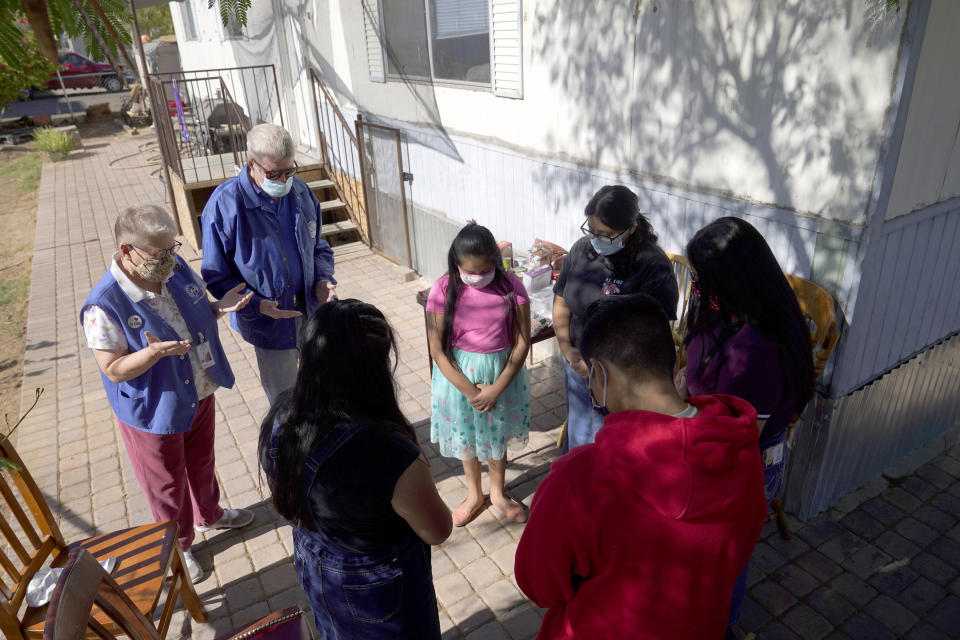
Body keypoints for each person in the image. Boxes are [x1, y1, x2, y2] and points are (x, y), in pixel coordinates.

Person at [515, 294, 766, 640]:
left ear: (599, 374)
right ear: (675, 363)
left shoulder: (582, 478)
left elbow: (539, 583)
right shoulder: (742, 448)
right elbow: (738, 553)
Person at [80, 205, 255, 583]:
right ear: (128, 251)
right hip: (154, 410)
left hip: (197, 389)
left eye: (172, 248)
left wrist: (218, 308)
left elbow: (196, 310)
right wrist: (151, 354)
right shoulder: (103, 304)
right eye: (160, 253)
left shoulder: (173, 270)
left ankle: (210, 514)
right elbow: (111, 368)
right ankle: (179, 545)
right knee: (167, 485)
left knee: (202, 460)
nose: (170, 259)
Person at [259, 300, 452, 638]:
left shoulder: (280, 416)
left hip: (316, 565)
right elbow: (437, 530)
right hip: (375, 591)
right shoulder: (387, 450)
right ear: (374, 369)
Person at [678, 216, 815, 634]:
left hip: (739, 467)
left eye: (702, 278)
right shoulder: (725, 312)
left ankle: (720, 626)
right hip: (708, 448)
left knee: (725, 563)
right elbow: (691, 368)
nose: (696, 287)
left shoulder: (755, 350)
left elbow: (735, 442)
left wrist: (672, 426)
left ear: (732, 279)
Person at [201, 123, 336, 405]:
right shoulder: (225, 206)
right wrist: (256, 304)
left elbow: (319, 246)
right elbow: (216, 276)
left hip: (311, 312)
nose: (284, 179)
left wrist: (323, 279)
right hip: (269, 324)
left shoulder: (301, 193)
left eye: (290, 170)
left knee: (324, 390)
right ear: (252, 164)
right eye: (274, 174)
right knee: (285, 402)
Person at [553, 185, 678, 451]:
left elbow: (652, 336)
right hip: (577, 366)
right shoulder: (581, 250)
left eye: (606, 235)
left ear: (631, 228)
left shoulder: (652, 266)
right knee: (579, 436)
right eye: (593, 230)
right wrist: (568, 350)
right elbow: (562, 301)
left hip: (622, 382)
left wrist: (603, 370)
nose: (596, 240)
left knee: (607, 447)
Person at [425, 223, 532, 527]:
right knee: (466, 437)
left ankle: (497, 493)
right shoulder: (444, 288)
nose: (477, 277)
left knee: (496, 436)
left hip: (501, 376)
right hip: (459, 379)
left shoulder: (511, 285)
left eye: (485, 270)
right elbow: (438, 350)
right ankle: (474, 495)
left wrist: (496, 389)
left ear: (496, 263)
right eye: (469, 271)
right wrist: (472, 392)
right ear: (456, 264)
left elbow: (523, 339)